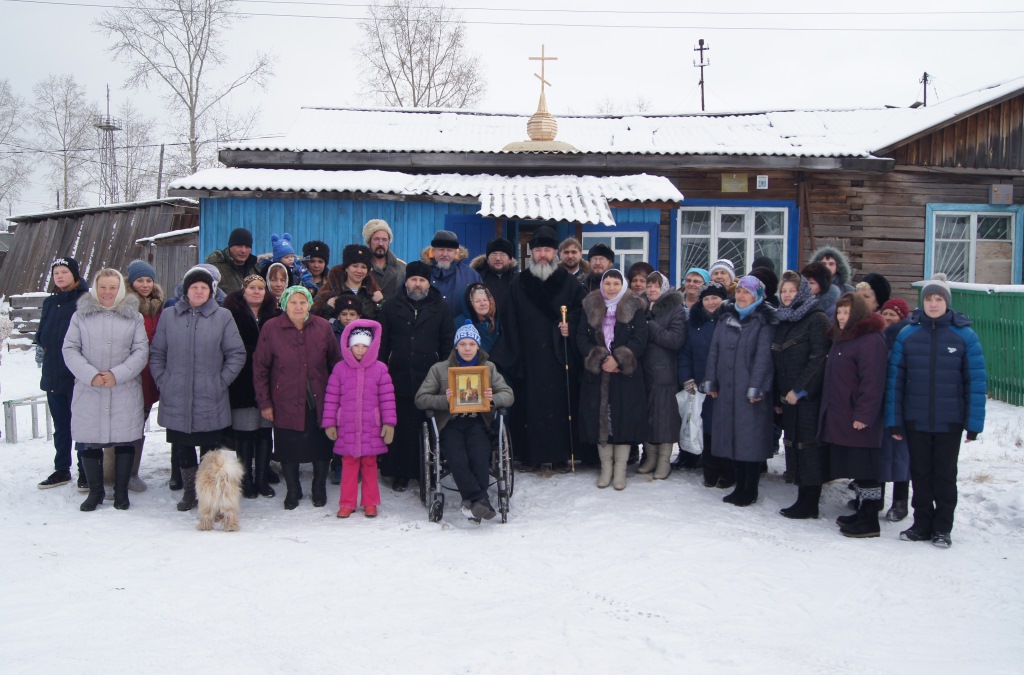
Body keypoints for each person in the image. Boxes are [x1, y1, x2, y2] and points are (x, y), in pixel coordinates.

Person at [886, 275, 987, 548]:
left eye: (938, 299)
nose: (933, 304)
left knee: (944, 475)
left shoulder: (965, 336)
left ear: (947, 302)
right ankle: (921, 524)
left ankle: (943, 527)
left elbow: (976, 381)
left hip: (949, 420)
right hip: (915, 419)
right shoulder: (908, 334)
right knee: (919, 474)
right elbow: (895, 381)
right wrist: (894, 421)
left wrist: (973, 423)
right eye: (929, 299)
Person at [150, 266, 246, 511]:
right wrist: (163, 380)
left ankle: (207, 492)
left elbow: (236, 353)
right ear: (186, 290)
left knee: (210, 448)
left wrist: (221, 381)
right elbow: (157, 353)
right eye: (195, 287)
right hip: (177, 395)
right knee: (183, 445)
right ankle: (189, 492)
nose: (199, 291)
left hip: (210, 394)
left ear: (211, 291)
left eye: (204, 287)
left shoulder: (222, 316)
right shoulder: (170, 315)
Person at [495, 226, 587, 471]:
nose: (543, 255)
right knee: (529, 408)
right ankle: (530, 455)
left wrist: (571, 325)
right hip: (528, 357)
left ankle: (559, 455)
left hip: (559, 357)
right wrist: (515, 352)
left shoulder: (569, 283)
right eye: (538, 250)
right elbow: (509, 318)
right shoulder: (519, 283)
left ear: (555, 253)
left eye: (547, 250)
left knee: (559, 407)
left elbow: (581, 311)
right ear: (531, 253)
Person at [62, 269, 149, 511]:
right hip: (90, 388)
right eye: (103, 287)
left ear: (120, 289)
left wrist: (117, 374)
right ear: (95, 288)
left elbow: (141, 351)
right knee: (89, 441)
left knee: (124, 441)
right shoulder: (80, 316)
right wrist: (91, 375)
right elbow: (70, 349)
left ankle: (121, 492)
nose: (107, 292)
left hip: (124, 388)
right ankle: (96, 492)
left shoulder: (134, 317)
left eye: (112, 287)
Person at [415, 321, 515, 522]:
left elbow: (508, 394)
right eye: (462, 344)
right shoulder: (440, 369)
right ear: (456, 346)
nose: (467, 348)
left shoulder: (488, 368)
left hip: (478, 422)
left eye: (471, 344)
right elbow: (421, 398)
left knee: (479, 456)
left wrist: (492, 398)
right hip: (450, 423)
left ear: (478, 345)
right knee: (457, 457)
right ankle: (480, 500)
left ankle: (475, 502)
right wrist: (444, 399)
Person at [253, 286, 341, 509]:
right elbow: (261, 367)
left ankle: (318, 486)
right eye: (293, 302)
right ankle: (293, 489)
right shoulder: (271, 328)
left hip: (319, 399)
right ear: (284, 304)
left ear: (310, 304)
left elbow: (336, 363)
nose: (298, 306)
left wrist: (338, 399)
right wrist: (265, 403)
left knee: (321, 446)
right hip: (285, 399)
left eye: (303, 302)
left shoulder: (322, 327)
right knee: (288, 447)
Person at [378, 262, 455, 491]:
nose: (418, 284)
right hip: (398, 374)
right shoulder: (391, 306)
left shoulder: (440, 307)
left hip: (428, 375)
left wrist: (443, 371)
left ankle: (424, 470)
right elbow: (382, 342)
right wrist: (382, 368)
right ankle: (400, 472)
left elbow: (447, 341)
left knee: (426, 424)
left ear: (428, 283)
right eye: (414, 279)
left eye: (422, 280)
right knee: (400, 425)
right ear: (406, 281)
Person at [703, 275, 777, 507]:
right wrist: (711, 381)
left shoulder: (764, 321)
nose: (742, 296)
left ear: (757, 296)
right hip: (726, 389)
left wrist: (757, 387)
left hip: (750, 392)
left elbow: (764, 358)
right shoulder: (726, 318)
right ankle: (738, 485)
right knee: (731, 438)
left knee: (750, 442)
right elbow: (714, 351)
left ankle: (749, 489)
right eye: (740, 291)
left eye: (748, 292)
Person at [820, 293, 888, 538]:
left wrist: (864, 414)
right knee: (858, 468)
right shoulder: (843, 338)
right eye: (839, 311)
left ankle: (870, 520)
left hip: (860, 419)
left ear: (858, 313)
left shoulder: (870, 341)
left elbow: (873, 382)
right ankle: (861, 511)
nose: (841, 316)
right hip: (843, 415)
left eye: (847, 312)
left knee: (867, 469)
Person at [576, 269, 648, 490]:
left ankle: (620, 470)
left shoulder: (634, 306)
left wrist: (618, 359)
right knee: (601, 419)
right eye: (607, 283)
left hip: (626, 375)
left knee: (624, 419)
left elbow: (640, 338)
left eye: (616, 283)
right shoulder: (589, 305)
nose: (611, 287)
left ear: (623, 285)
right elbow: (581, 337)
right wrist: (599, 359)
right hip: (597, 374)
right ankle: (606, 468)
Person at [771, 272, 830, 519]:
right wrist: (779, 395)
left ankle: (810, 501)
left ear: (803, 292)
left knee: (809, 448)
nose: (786, 295)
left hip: (807, 397)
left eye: (791, 291)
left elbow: (819, 358)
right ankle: (801, 496)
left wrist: (800, 389)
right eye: (784, 291)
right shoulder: (783, 319)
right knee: (794, 444)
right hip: (787, 396)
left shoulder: (816, 319)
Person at [323, 320, 396, 518]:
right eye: (357, 345)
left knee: (370, 465)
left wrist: (389, 423)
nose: (361, 350)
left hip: (371, 427)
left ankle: (370, 502)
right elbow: (331, 397)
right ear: (348, 345)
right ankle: (347, 503)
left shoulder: (380, 369)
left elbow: (387, 398)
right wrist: (330, 422)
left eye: (365, 346)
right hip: (347, 427)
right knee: (348, 465)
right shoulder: (340, 369)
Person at [224, 274, 281, 499]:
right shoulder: (230, 314)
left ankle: (262, 477)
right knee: (245, 433)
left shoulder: (274, 314)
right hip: (242, 380)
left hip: (268, 379)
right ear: (243, 290)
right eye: (252, 288)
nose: (256, 292)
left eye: (260, 288)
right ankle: (245, 478)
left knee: (265, 431)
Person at [36, 257, 90, 489]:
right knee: (61, 425)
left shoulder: (85, 300)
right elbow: (42, 333)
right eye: (56, 272)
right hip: (53, 372)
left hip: (76, 374)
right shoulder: (50, 301)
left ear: (75, 275)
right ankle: (61, 469)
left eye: (64, 272)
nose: (59, 276)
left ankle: (85, 471)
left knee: (81, 425)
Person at [678, 282, 731, 486]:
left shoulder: (730, 320)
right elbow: (685, 354)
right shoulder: (693, 322)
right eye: (707, 298)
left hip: (725, 385)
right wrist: (686, 378)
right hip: (700, 385)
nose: (711, 302)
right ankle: (710, 471)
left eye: (715, 298)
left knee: (724, 429)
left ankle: (727, 472)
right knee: (706, 428)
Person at [636, 272, 685, 479]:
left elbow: (675, 340)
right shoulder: (642, 308)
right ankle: (651, 458)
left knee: (664, 417)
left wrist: (652, 326)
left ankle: (664, 460)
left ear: (664, 287)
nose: (652, 289)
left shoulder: (675, 310)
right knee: (646, 416)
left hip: (664, 372)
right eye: (649, 286)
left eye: (656, 286)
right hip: (642, 372)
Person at [121, 259, 164, 492]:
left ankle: (133, 472)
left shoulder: (158, 305)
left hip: (151, 373)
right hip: (131, 372)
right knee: (128, 425)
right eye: (140, 280)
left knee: (140, 423)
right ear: (131, 282)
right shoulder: (126, 305)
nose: (145, 284)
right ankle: (120, 472)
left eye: (149, 280)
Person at [876, 295, 913, 523]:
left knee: (900, 456)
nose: (888, 318)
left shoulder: (906, 338)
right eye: (886, 313)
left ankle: (900, 503)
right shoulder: (878, 336)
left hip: (899, 404)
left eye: (893, 315)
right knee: (877, 454)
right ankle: (875, 498)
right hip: (879, 403)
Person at [312, 244, 384, 320]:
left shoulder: (372, 293)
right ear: (346, 268)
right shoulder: (330, 292)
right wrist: (328, 308)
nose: (359, 271)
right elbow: (315, 320)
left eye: (363, 267)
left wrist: (380, 303)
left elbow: (383, 321)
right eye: (355, 266)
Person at [425, 230, 483, 319]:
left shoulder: (471, 275)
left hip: (461, 329)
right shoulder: (420, 272)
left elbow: (482, 306)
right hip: (426, 330)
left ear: (456, 253)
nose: (445, 254)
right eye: (441, 249)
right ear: (433, 251)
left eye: (449, 250)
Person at [205, 227, 258, 295]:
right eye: (239, 246)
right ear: (230, 246)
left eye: (247, 247)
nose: (243, 251)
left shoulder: (256, 268)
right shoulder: (215, 266)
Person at [470, 237, 519, 310]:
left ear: (510, 260)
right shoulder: (476, 279)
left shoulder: (518, 280)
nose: (498, 258)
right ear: (487, 260)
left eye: (502, 254)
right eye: (494, 254)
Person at [364, 219, 407, 300]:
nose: (380, 243)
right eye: (376, 239)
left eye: (384, 240)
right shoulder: (360, 267)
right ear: (369, 242)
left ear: (389, 242)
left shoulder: (402, 268)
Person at [454, 283, 501, 354]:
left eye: (485, 300)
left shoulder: (498, 322)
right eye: (477, 301)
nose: (482, 304)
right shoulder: (460, 324)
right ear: (469, 303)